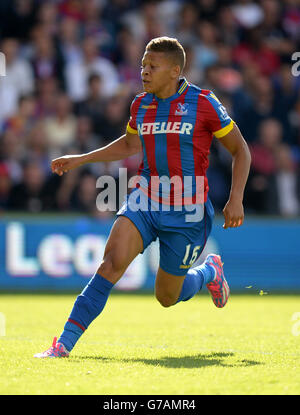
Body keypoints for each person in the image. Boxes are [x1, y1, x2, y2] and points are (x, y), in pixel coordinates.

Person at [34, 37, 251, 358]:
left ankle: (208, 272)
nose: (144, 71)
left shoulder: (203, 102)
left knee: (166, 296)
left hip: (187, 211)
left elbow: (240, 150)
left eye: (152, 66)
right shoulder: (141, 104)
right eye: (142, 65)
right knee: (110, 264)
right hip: (145, 200)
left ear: (175, 70)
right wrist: (80, 158)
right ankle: (62, 345)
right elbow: (129, 144)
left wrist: (236, 198)